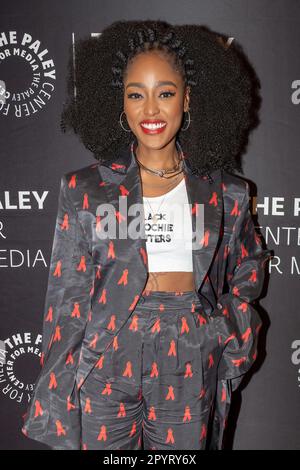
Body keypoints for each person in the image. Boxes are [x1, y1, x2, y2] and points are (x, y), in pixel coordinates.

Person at [21, 20, 272, 450]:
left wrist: (221, 328)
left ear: (189, 98)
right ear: (119, 100)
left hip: (188, 349)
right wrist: (60, 386)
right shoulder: (86, 189)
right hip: (108, 351)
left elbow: (250, 266)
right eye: (136, 93)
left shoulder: (227, 192)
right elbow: (68, 297)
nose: (150, 110)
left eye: (166, 93)